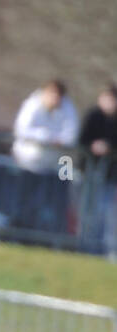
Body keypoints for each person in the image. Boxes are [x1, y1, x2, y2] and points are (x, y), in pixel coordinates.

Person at [12, 79, 79, 239]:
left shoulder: (68, 109)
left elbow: (70, 136)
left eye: (58, 96)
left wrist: (58, 141)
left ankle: (54, 237)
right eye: (52, 94)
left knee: (58, 202)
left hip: (61, 163)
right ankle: (21, 235)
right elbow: (22, 129)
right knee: (26, 202)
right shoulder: (32, 105)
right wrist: (48, 138)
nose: (54, 99)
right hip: (29, 163)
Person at [79, 83, 117, 260]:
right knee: (88, 211)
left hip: (110, 176)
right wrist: (93, 147)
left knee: (108, 214)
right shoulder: (93, 116)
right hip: (89, 172)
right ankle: (85, 246)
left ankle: (106, 250)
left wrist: (109, 148)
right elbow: (81, 140)